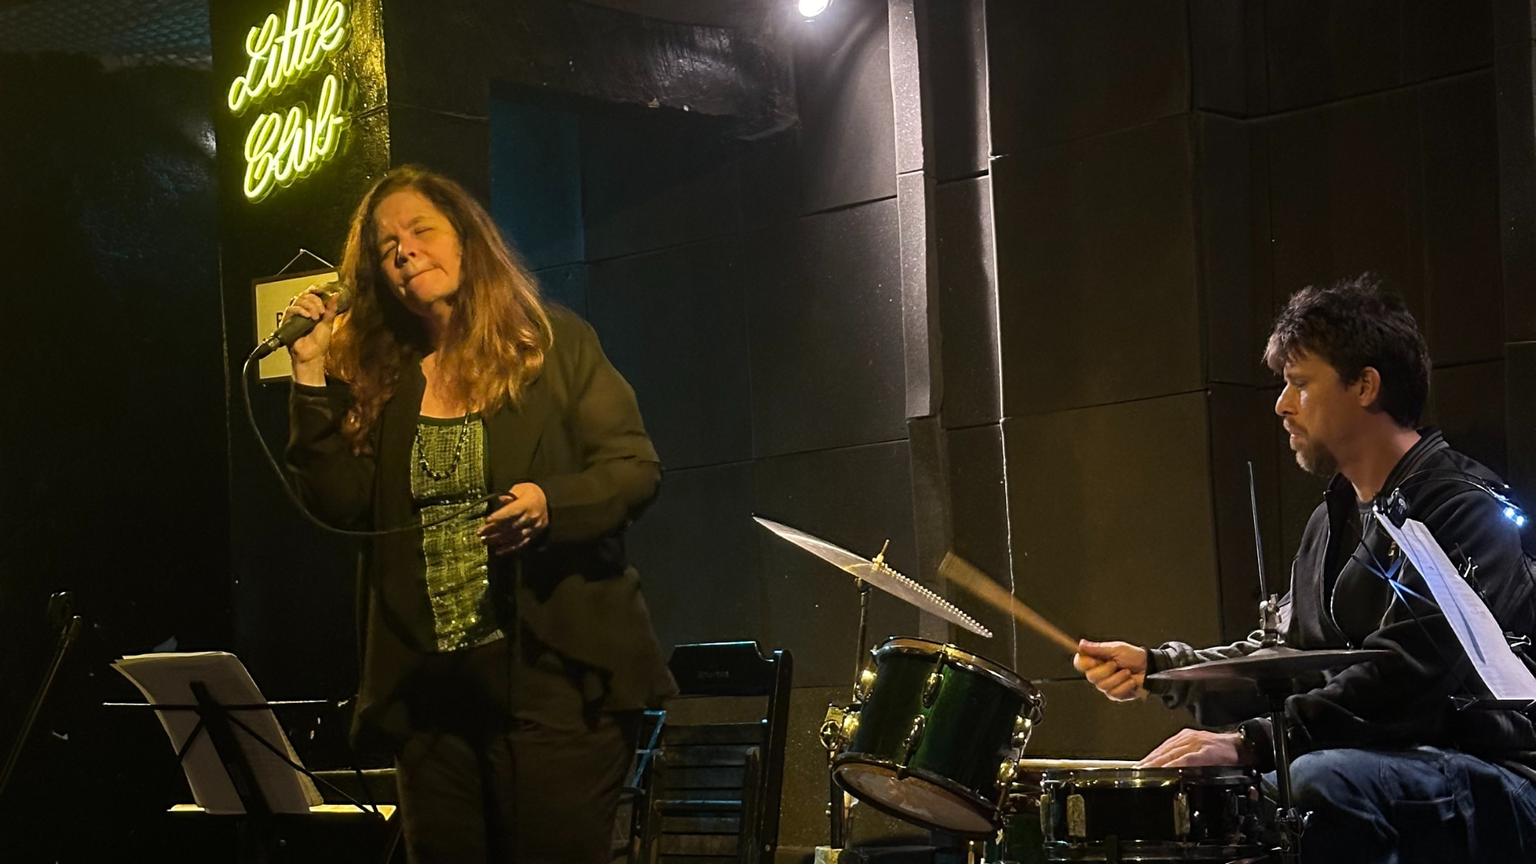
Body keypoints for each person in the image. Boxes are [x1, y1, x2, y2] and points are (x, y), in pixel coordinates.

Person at [281, 165, 676, 863]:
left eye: (420, 229)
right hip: (432, 695)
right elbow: (342, 507)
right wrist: (310, 376)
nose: (403, 250)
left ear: (467, 238)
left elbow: (633, 470)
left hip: (554, 681)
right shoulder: (390, 377)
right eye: (386, 246)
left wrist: (549, 504)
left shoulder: (552, 344)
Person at [1073, 276, 1536, 863]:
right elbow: (1289, 658)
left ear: (1365, 385)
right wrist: (1162, 669)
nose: (1281, 405)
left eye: (1299, 384)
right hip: (1392, 765)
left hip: (1497, 774)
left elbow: (1407, 677)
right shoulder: (1332, 518)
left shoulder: (1462, 507)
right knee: (1227, 793)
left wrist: (1250, 743)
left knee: (1315, 785)